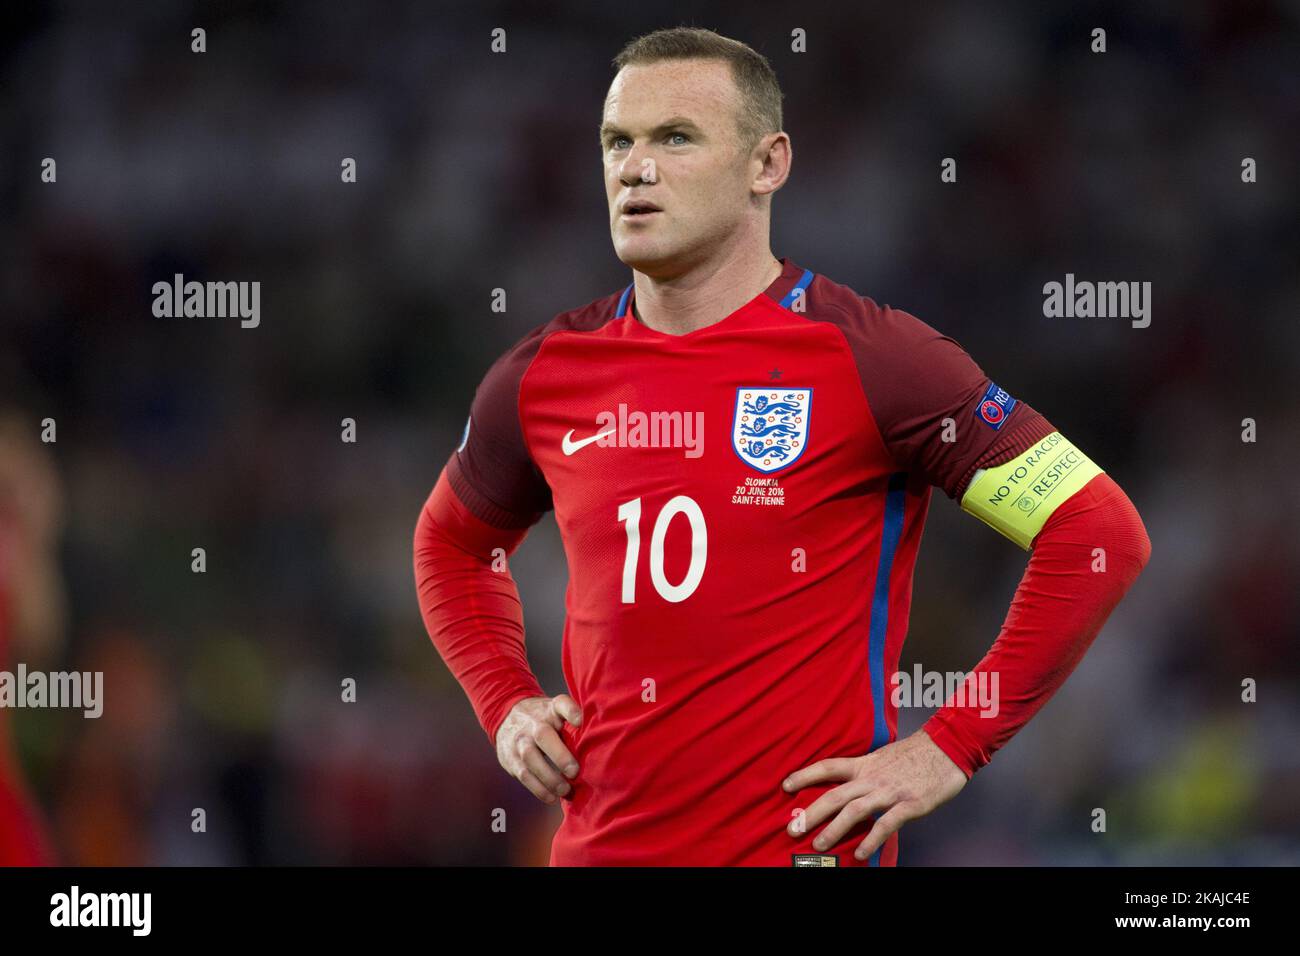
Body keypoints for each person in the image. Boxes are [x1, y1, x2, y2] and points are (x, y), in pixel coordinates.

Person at [413, 27, 1151, 866]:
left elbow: (1097, 531)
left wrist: (951, 742)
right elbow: (452, 545)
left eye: (676, 138)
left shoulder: (874, 359)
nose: (635, 168)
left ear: (768, 165)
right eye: (618, 141)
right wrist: (505, 702)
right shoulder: (542, 376)